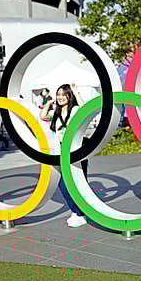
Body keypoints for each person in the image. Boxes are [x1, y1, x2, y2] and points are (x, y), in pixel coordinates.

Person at [39, 83, 88, 228]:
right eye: (58, 95)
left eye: (63, 94)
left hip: (76, 152)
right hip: (62, 153)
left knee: (74, 185)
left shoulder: (75, 110)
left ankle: (80, 214)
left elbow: (86, 110)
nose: (60, 97)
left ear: (69, 96)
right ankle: (77, 212)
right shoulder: (57, 112)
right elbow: (42, 116)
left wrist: (76, 91)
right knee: (64, 185)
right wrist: (48, 103)